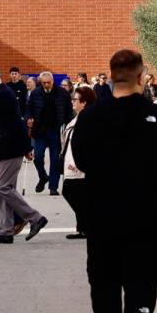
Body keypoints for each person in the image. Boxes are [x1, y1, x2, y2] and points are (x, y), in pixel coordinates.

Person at [71, 49, 157, 313]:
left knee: (103, 277)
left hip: (102, 210)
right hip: (149, 212)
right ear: (140, 75)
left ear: (112, 74)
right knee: (143, 279)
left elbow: (80, 161)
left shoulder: (90, 117)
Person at [0, 66, 48, 245]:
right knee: (5, 190)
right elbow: (16, 122)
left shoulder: (1, 96)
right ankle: (6, 231)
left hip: (9, 150)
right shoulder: (2, 94)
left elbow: (7, 126)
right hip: (11, 148)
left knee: (3, 188)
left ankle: (35, 217)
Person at [27, 71, 72, 195]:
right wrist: (29, 119)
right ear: (40, 82)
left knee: (55, 160)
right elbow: (29, 109)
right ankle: (43, 177)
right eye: (43, 83)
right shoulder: (36, 93)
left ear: (52, 81)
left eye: (48, 82)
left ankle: (53, 187)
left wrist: (69, 127)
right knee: (38, 158)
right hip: (40, 131)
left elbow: (68, 111)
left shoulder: (62, 93)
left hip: (55, 130)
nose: (46, 85)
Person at [61, 85, 96, 240]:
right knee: (74, 193)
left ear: (85, 102)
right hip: (70, 162)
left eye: (75, 99)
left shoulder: (90, 120)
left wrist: (80, 162)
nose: (72, 102)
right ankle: (82, 227)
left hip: (80, 166)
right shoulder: (76, 119)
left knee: (74, 193)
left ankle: (87, 227)